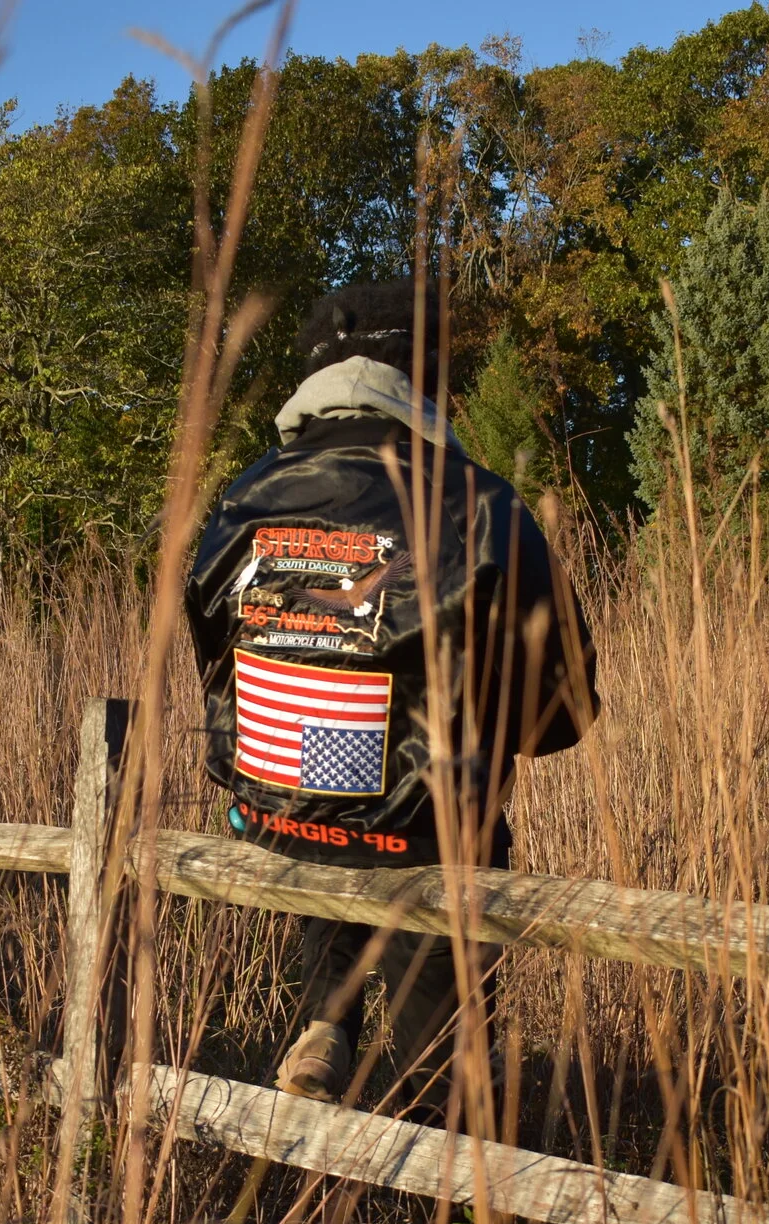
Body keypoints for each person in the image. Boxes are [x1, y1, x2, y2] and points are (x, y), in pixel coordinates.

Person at [185, 280, 598, 1108]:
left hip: (275, 819)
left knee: (330, 794)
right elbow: (563, 712)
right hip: (427, 841)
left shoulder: (240, 500)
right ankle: (440, 1114)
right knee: (443, 1060)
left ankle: (323, 1022)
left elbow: (214, 666)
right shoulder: (477, 505)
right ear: (424, 381)